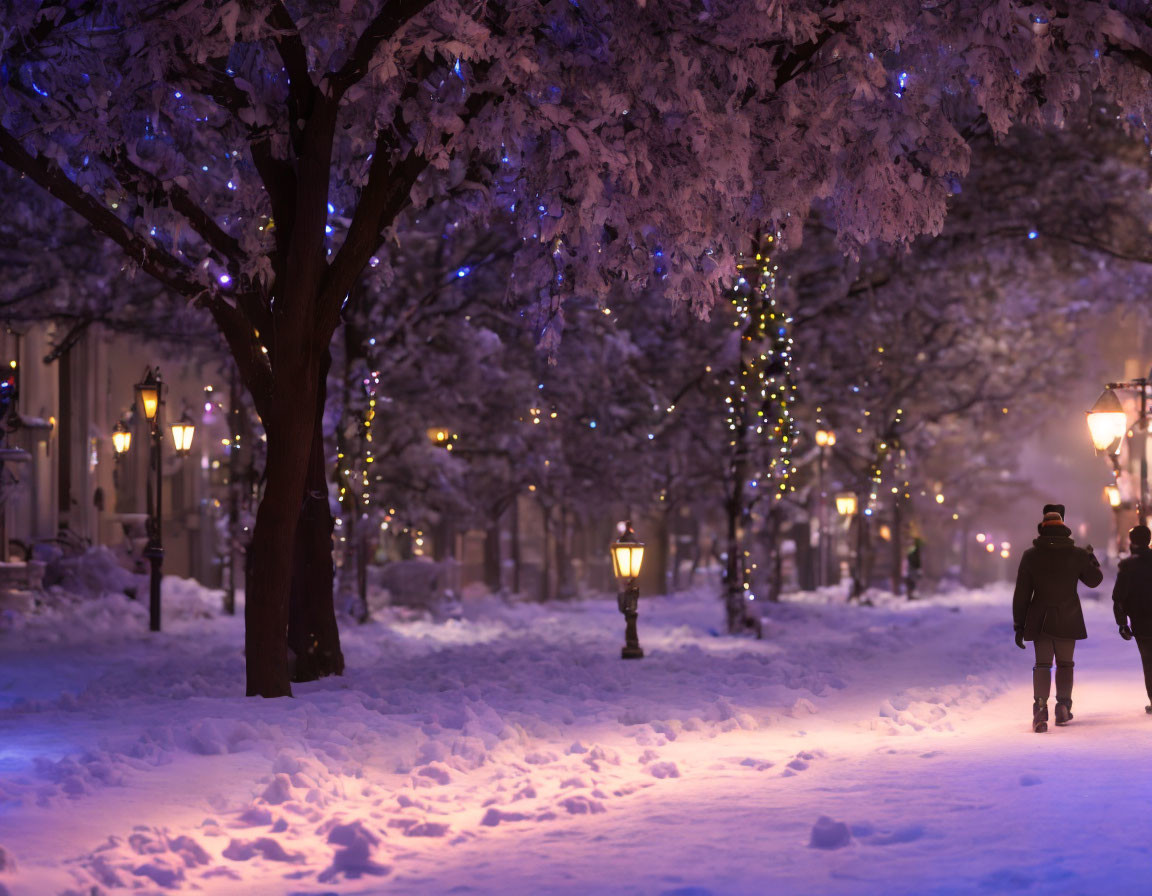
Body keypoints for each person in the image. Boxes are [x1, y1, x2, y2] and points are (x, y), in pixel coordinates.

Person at [1012, 504, 1103, 732]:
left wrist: (1019, 624)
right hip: (1068, 616)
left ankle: (1040, 708)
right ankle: (1063, 705)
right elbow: (1094, 580)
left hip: (1039, 616)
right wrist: (1091, 557)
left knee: (1042, 664)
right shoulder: (1078, 554)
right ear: (1064, 526)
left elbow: (1022, 593)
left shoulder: (1031, 556)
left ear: (1042, 527)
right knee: (1065, 664)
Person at [1111, 524, 1152, 714]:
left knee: (1149, 662)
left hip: (1142, 623)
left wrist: (1122, 623)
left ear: (1132, 542)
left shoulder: (1127, 566)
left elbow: (1119, 598)